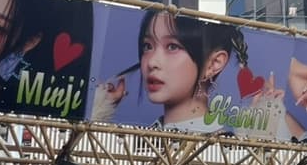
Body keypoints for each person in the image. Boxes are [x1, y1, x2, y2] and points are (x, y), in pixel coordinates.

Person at [93, 10, 247, 133]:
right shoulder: (137, 141)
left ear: (214, 64)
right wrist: (101, 107)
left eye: (172, 47)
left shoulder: (229, 150)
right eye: (147, 46)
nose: (152, 63)